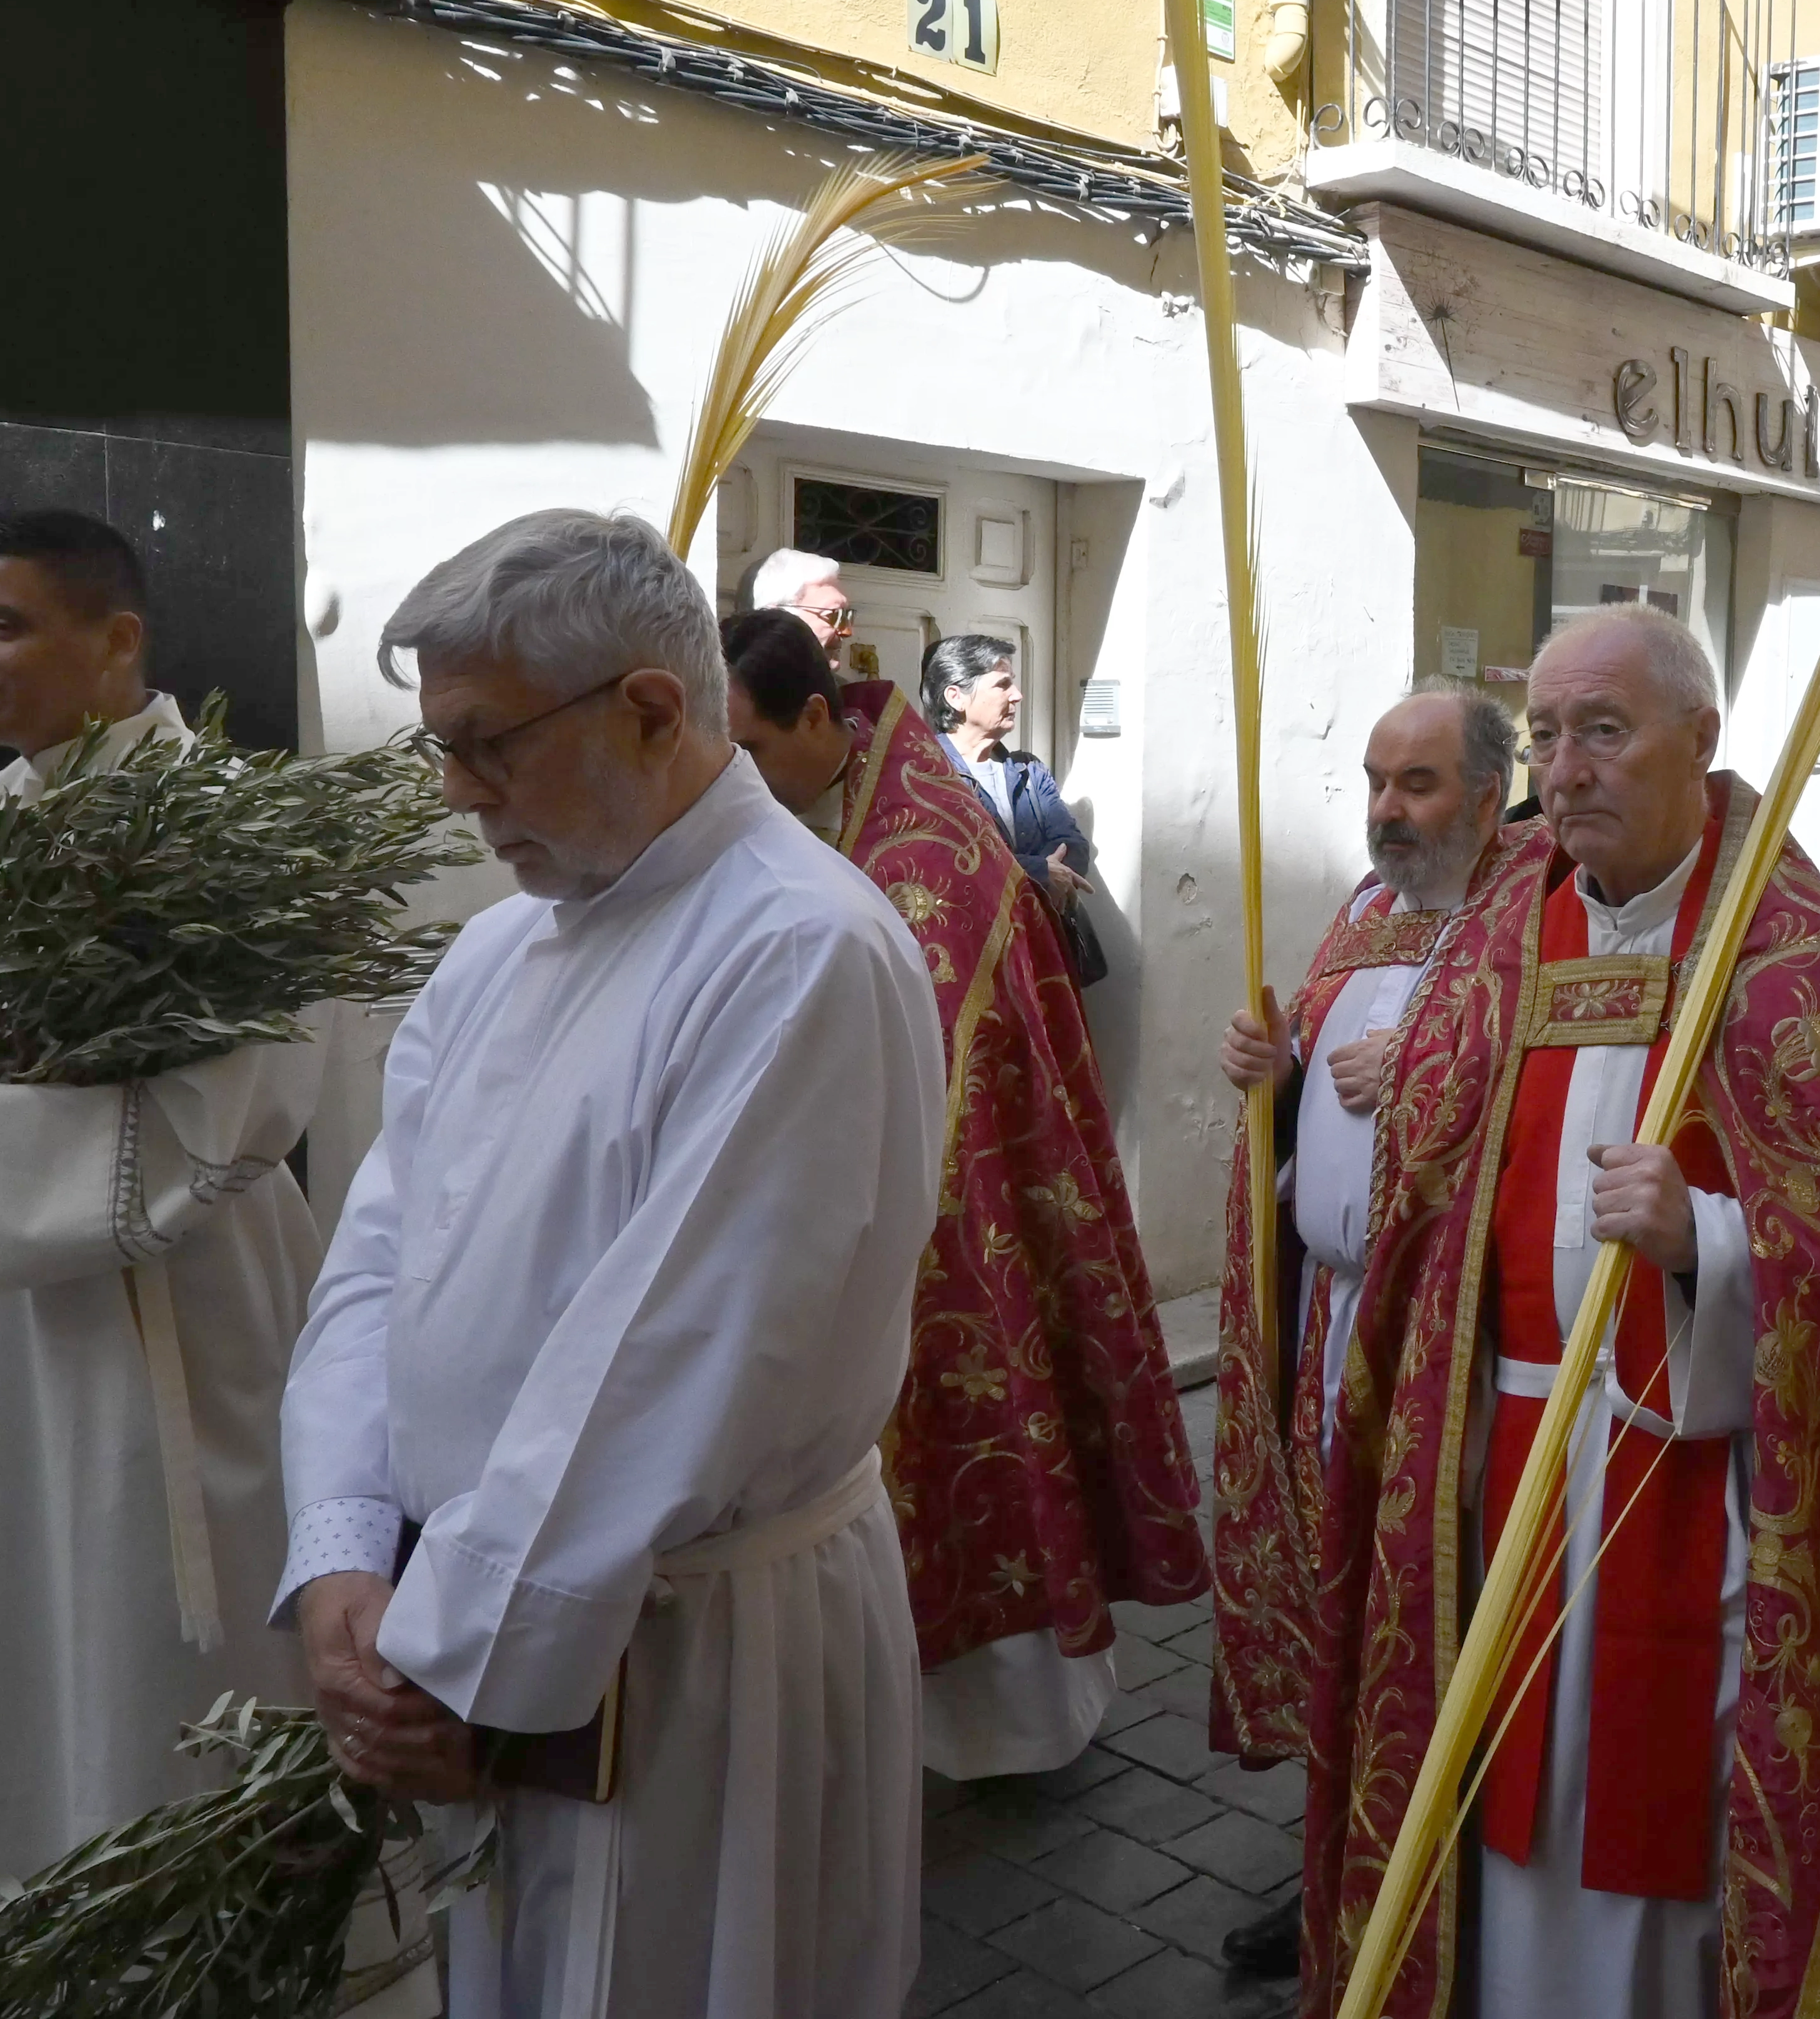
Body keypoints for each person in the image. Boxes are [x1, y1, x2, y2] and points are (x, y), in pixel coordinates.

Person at [1300, 605, 1820, 2019]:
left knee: (1665, 1823)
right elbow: (1423, 1184)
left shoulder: (1795, 956)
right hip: (1499, 1461)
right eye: (1545, 734)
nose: (1566, 765)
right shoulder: (1498, 935)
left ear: (1700, 738)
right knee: (1494, 1800)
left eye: (1604, 729)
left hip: (1694, 1475)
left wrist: (1708, 1238)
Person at [279, 511, 943, 2016]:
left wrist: (459, 1664)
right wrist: (340, 1548)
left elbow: (668, 1360)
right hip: (485, 1610)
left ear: (648, 709)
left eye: (485, 744)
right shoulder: (500, 949)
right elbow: (379, 1257)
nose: (457, 795)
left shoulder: (797, 952)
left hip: (694, 1653)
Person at [0, 511, 324, 2000]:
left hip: (160, 1322)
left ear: (118, 640)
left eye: (4, 624)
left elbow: (243, 1109)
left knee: (141, 1645)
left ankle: (173, 1941)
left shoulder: (221, 826)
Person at [718, 612, 1205, 1785]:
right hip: (867, 1200)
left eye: (754, 748)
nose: (742, 777)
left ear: (820, 719)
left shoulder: (921, 854)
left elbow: (943, 1087)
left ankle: (1010, 1725)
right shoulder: (846, 804)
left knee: (984, 1439)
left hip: (952, 1215)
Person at [1208, 689, 1527, 1981]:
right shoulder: (1361, 906)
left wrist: (1441, 1057)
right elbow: (1309, 1093)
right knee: (1347, 1609)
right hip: (1333, 1320)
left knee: (1431, 1615)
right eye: (1379, 782)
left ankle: (1445, 1881)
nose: (1389, 812)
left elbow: (1558, 1099)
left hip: (1452, 1352)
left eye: (1421, 784)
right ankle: (1339, 1866)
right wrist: (1269, 1072)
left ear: (1493, 797)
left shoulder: (1535, 919)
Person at [922, 635, 1101, 977]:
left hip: (1041, 954)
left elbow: (1075, 846)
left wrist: (1048, 871)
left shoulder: (1028, 770)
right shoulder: (928, 773)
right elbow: (952, 861)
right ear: (956, 697)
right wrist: (1039, 871)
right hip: (970, 960)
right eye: (1003, 684)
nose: (1017, 695)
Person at [745, 546, 854, 673]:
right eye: (835, 615)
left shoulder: (845, 691)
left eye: (847, 616)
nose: (847, 632)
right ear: (777, 618)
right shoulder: (738, 690)